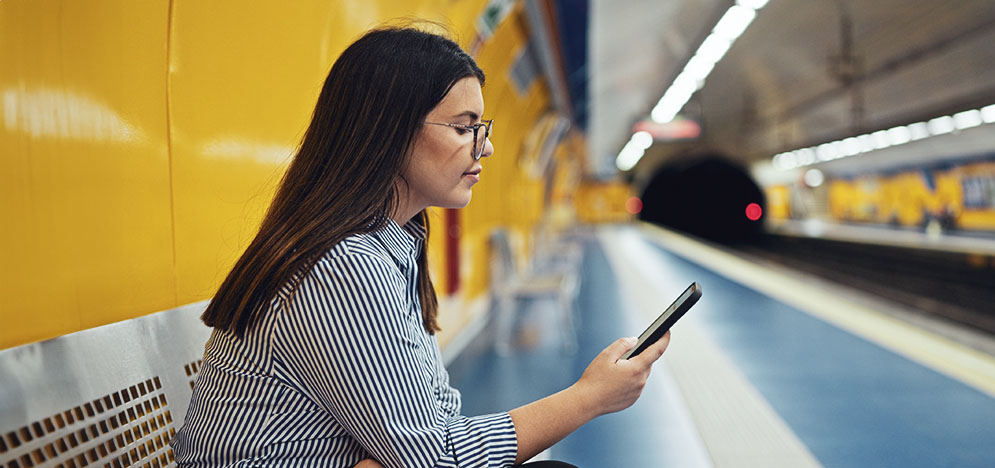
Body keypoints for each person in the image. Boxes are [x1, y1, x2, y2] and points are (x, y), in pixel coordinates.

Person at [170, 24, 670, 468]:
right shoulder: (345, 265)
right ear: (389, 130)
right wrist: (589, 397)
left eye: (482, 128)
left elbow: (431, 423)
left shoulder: (394, 247)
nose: (487, 146)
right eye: (463, 127)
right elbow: (429, 456)